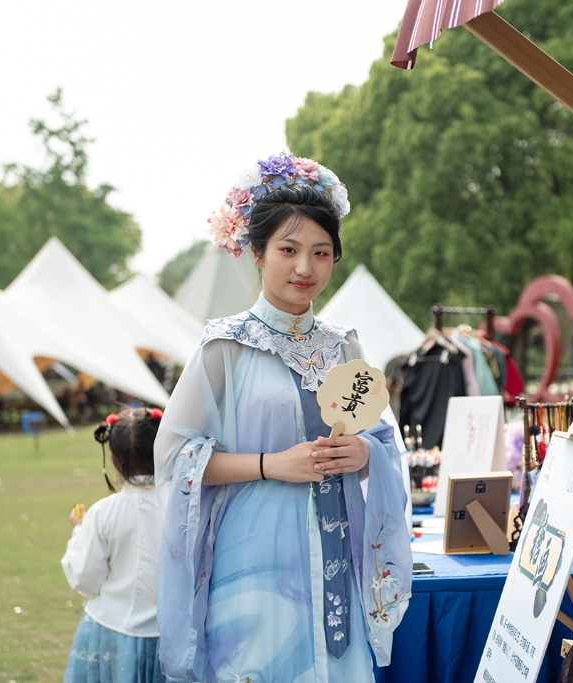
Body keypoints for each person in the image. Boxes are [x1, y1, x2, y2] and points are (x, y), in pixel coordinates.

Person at [155, 154, 411, 682]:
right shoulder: (225, 346)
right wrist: (271, 464)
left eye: (321, 253)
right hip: (254, 560)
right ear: (257, 252)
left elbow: (382, 442)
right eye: (288, 250)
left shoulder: (343, 346)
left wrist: (363, 452)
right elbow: (177, 456)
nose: (304, 269)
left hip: (337, 556)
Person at [61, 408, 167, 683]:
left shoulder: (102, 512)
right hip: (171, 634)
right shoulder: (184, 506)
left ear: (114, 461)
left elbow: (86, 578)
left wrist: (79, 530)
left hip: (111, 629)